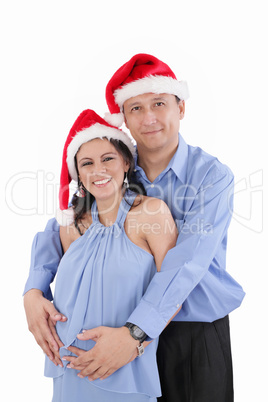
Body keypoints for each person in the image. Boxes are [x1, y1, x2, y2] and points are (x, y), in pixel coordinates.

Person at [24, 54, 245, 402]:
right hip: (123, 329)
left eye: (159, 103)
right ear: (124, 118)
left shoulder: (211, 176)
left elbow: (187, 262)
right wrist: (33, 292)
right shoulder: (113, 165)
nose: (149, 117)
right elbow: (64, 225)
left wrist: (136, 334)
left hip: (189, 333)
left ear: (181, 108)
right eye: (136, 108)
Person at [38, 108, 178, 401]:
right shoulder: (69, 226)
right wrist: (32, 295)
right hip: (69, 370)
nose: (97, 170)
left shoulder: (151, 213)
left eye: (108, 158)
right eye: (86, 163)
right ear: (78, 173)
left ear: (126, 162)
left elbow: (174, 290)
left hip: (123, 369)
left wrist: (135, 342)